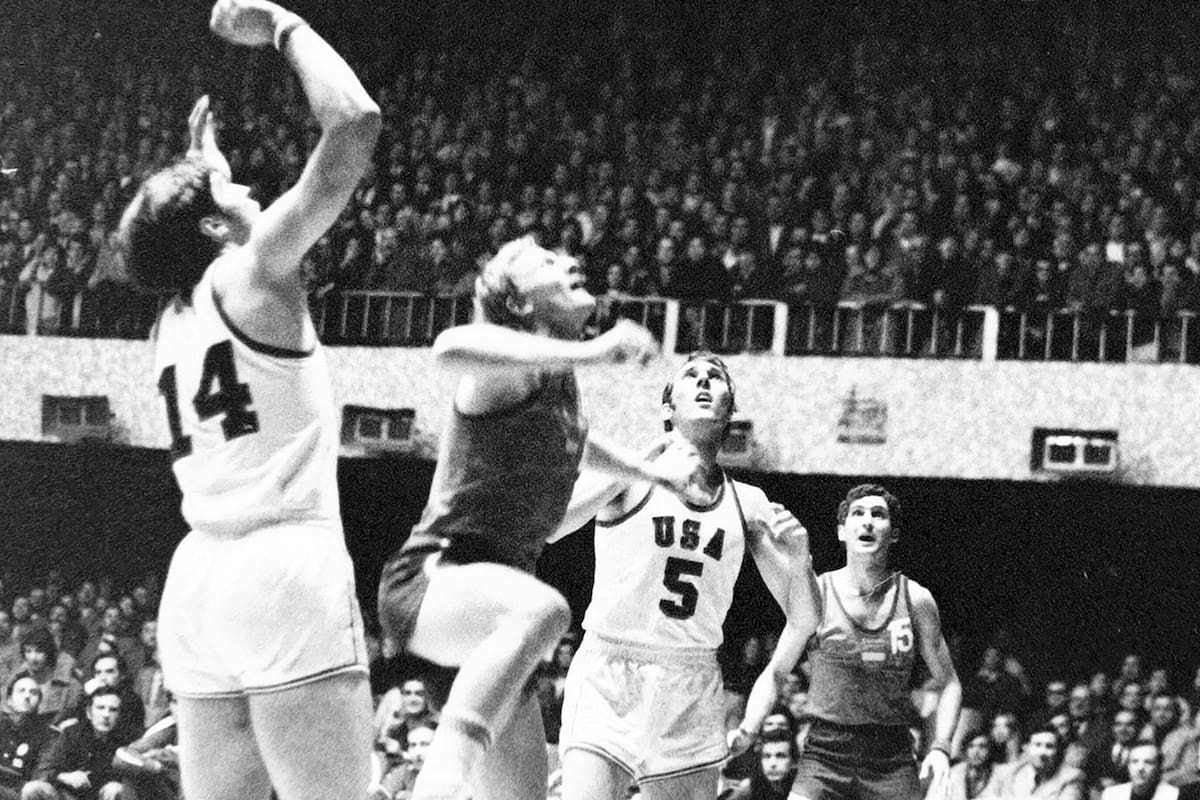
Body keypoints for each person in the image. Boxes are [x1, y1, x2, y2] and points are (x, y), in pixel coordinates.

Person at [117, 1, 381, 799]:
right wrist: (283, 24)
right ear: (210, 231)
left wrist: (207, 176)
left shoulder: (169, 323)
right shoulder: (256, 272)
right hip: (284, 568)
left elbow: (194, 229)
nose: (245, 194)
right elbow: (355, 123)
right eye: (227, 193)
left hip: (198, 580)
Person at [377, 234, 704, 800]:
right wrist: (593, 352)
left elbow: (573, 458)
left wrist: (649, 474)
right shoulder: (509, 370)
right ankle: (433, 787)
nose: (571, 261)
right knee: (549, 609)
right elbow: (449, 348)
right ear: (522, 306)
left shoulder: (556, 389)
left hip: (496, 619)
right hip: (436, 581)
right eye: (547, 262)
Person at [552, 351, 817, 800]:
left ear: (729, 411)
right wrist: (636, 464)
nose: (703, 381)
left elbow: (806, 618)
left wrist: (802, 559)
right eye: (691, 375)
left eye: (715, 378)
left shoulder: (747, 502)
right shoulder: (630, 475)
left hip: (691, 680)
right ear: (667, 407)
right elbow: (552, 527)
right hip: (612, 669)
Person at [731, 483, 962, 800]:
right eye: (858, 513)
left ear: (893, 533)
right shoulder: (817, 594)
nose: (867, 521)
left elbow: (949, 682)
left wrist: (941, 747)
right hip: (825, 754)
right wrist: (748, 728)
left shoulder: (917, 600)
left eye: (878, 515)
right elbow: (775, 671)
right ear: (842, 531)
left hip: (891, 759)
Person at [24, 687, 129, 800]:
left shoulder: (126, 741)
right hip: (67, 796)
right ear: (89, 713)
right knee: (32, 788)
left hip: (102, 796)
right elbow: (44, 770)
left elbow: (132, 781)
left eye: (113, 710)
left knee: (116, 789)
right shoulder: (71, 733)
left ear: (119, 715)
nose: (106, 715)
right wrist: (65, 776)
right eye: (100, 708)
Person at [0, 676, 58, 800]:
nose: (27, 696)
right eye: (21, 691)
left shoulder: (49, 735)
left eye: (33, 693)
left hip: (23, 793)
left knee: (34, 788)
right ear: (9, 700)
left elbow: (41, 776)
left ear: (39, 702)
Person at [997, 725, 1086, 800]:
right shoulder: (1012, 773)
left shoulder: (1072, 777)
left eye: (1049, 746)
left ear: (1058, 751)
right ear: (1027, 748)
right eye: (1037, 745)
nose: (1042, 752)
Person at [722, 729, 799, 800]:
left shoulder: (800, 790)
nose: (772, 763)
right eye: (767, 756)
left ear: (792, 760)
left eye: (780, 756)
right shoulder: (748, 789)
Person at [1100, 741, 1179, 800]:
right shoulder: (1111, 794)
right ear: (1128, 766)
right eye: (1134, 761)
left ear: (1158, 767)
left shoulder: (1173, 796)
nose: (1140, 768)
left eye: (1148, 762)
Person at [947, 729, 1004, 800]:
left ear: (990, 750)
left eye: (982, 746)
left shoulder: (1000, 774)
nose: (975, 752)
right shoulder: (955, 773)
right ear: (966, 750)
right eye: (971, 746)